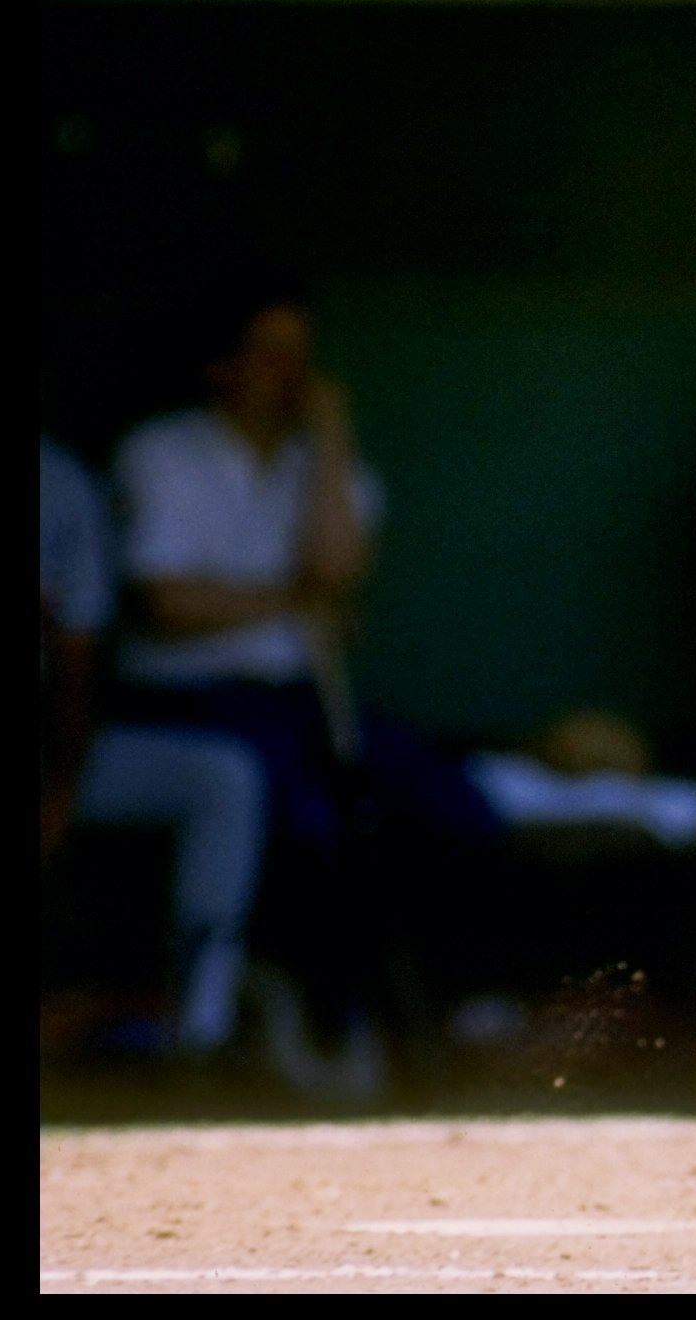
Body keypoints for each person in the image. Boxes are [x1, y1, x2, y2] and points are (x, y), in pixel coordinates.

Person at [110, 266, 501, 1093]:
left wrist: (330, 435)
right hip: (191, 704)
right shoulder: (161, 452)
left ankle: (458, 1016)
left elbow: (339, 568)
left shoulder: (322, 459)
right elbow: (168, 601)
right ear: (221, 367)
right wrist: (294, 601)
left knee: (452, 805)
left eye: (302, 356)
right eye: (269, 354)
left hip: (301, 701)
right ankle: (297, 1024)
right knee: (312, 825)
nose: (292, 375)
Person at [42, 434, 267, 1060]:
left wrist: (59, 788)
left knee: (221, 777)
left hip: (51, 752)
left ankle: (199, 1027)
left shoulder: (58, 484)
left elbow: (75, 659)